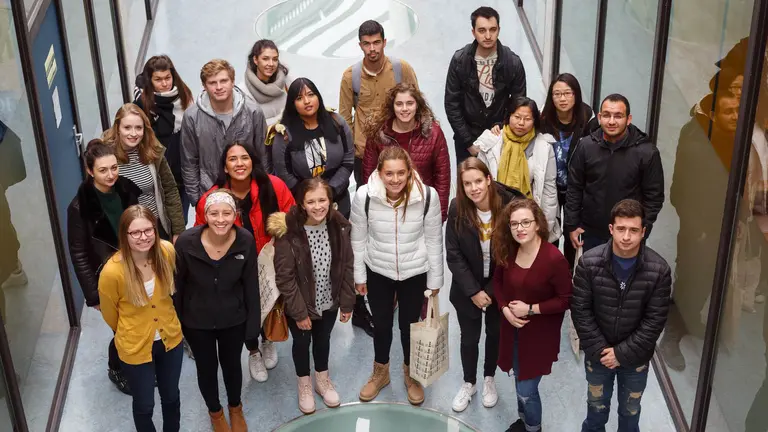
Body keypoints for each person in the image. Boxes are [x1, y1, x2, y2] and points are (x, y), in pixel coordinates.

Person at [351, 146, 443, 406]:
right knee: (381, 325)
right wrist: (359, 276)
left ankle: (410, 374)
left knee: (409, 325)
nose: (395, 180)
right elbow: (357, 239)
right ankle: (380, 373)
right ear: (379, 173)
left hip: (415, 271)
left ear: (409, 171)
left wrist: (435, 280)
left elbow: (434, 239)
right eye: (389, 174)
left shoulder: (427, 196)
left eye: (401, 173)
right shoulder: (364, 196)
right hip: (378, 269)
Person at [195, 142, 295, 381]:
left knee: (269, 305)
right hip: (233, 268)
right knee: (243, 312)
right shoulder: (212, 199)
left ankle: (268, 340)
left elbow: (293, 218)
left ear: (253, 161)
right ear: (225, 167)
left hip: (268, 262)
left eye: (245, 157)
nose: (239, 163)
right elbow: (201, 235)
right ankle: (253, 351)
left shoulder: (273, 185)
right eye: (232, 159)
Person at [571, 199, 671, 432]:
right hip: (599, 355)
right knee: (596, 410)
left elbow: (654, 322)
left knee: (630, 413)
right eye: (621, 229)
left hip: (635, 359)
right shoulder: (589, 264)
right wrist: (602, 351)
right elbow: (580, 310)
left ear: (643, 232)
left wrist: (621, 353)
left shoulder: (659, 271)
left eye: (634, 230)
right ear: (611, 229)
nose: (626, 236)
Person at [174, 189, 260, 432]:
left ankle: (235, 407)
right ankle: (215, 412)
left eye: (226, 213)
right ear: (204, 215)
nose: (220, 219)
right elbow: (177, 287)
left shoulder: (245, 240)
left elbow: (251, 286)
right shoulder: (186, 243)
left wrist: (252, 327)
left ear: (236, 215)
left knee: (232, 365)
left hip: (233, 318)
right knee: (206, 367)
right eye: (214, 213)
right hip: (196, 320)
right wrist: (177, 324)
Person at [269, 178, 355, 415]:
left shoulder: (339, 226)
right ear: (302, 204)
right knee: (301, 342)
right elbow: (285, 278)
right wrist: (299, 312)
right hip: (302, 303)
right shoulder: (289, 232)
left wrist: (347, 302)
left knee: (323, 339)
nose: (317, 206)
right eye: (311, 201)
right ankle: (304, 383)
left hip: (329, 300)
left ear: (331, 201)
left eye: (322, 200)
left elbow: (346, 265)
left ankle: (322, 378)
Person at [97, 205, 182, 432]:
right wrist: (132, 329)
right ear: (124, 235)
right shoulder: (112, 272)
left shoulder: (166, 252)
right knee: (145, 404)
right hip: (135, 346)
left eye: (148, 230)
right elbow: (110, 314)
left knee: (171, 396)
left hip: (170, 338)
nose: (143, 237)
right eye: (135, 233)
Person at [446, 157, 521, 413]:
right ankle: (470, 382)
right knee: (469, 338)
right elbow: (453, 253)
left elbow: (513, 252)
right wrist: (473, 291)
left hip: (499, 288)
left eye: (478, 181)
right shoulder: (457, 208)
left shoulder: (509, 206)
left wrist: (489, 292)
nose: (474, 188)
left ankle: (489, 378)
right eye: (467, 184)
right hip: (467, 289)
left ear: (489, 179)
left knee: (495, 334)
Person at [67, 139, 140, 395]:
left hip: (138, 267)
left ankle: (140, 363)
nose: (110, 175)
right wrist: (93, 295)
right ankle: (117, 367)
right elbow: (79, 254)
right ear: (89, 171)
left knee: (140, 320)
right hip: (109, 277)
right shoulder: (79, 208)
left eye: (114, 168)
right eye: (102, 170)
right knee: (123, 328)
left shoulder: (127, 189)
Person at [492, 198, 572, 432]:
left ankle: (533, 428)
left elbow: (566, 299)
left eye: (526, 222)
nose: (520, 228)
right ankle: (522, 421)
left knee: (526, 390)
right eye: (514, 224)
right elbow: (497, 282)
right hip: (512, 331)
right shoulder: (510, 250)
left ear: (538, 224)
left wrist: (530, 309)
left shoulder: (553, 259)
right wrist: (505, 309)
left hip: (538, 337)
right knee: (518, 381)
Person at [565, 94, 664, 252]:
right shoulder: (586, 146)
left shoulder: (646, 152)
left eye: (618, 116)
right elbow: (574, 187)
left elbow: (654, 198)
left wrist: (640, 231)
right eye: (606, 115)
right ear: (599, 117)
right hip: (591, 233)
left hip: (627, 236)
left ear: (628, 119)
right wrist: (572, 224)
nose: (611, 121)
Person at [339, 19, 419, 187]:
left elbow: (417, 106)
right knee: (369, 203)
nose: (372, 48)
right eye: (367, 44)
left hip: (400, 150)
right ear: (360, 45)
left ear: (384, 42)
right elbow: (345, 119)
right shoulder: (350, 76)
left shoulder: (401, 69)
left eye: (376, 42)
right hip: (364, 155)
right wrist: (352, 151)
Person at [444, 6, 527, 164]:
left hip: (500, 136)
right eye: (482, 30)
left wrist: (502, 128)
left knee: (499, 187)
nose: (488, 36)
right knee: (469, 185)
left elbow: (518, 105)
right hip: (467, 138)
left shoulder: (512, 63)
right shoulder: (460, 61)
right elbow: (452, 104)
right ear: (473, 32)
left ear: (499, 30)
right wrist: (468, 142)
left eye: (492, 30)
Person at [181, 59, 269, 206]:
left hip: (248, 192)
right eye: (212, 83)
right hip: (209, 193)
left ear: (233, 81)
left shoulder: (253, 111)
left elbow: (263, 154)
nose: (219, 87)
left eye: (224, 81)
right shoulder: (192, 116)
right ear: (204, 86)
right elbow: (189, 161)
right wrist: (197, 200)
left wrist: (264, 189)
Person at [362, 83, 451, 221]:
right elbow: (369, 174)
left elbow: (442, 176)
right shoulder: (378, 134)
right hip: (385, 207)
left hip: (422, 206)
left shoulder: (433, 133)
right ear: (392, 106)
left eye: (409, 103)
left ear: (417, 105)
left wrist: (440, 213)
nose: (404, 109)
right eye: (399, 104)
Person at [102, 103, 186, 242]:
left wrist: (178, 231)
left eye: (138, 128)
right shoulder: (104, 155)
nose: (133, 134)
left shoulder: (154, 151)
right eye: (127, 127)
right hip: (124, 233)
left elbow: (170, 190)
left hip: (155, 226)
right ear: (117, 128)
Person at [272, 79, 354, 216]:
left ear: (318, 97)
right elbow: (283, 173)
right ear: (292, 104)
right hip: (305, 204)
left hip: (338, 197)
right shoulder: (284, 134)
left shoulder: (336, 122)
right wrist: (309, 196)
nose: (307, 101)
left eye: (311, 95)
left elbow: (348, 160)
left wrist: (330, 191)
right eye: (299, 98)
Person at [539, 73, 594, 267]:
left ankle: (571, 277)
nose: (562, 99)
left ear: (576, 95)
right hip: (551, 187)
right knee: (548, 234)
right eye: (557, 94)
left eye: (567, 93)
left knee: (574, 235)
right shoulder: (543, 120)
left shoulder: (589, 119)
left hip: (577, 189)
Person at [134, 55, 195, 223]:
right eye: (158, 79)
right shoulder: (143, 103)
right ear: (150, 80)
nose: (165, 83)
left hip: (182, 169)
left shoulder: (183, 94)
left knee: (180, 220)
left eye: (168, 77)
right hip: (158, 172)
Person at [491, 97, 560, 244]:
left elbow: (549, 191)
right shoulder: (492, 142)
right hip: (497, 218)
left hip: (530, 220)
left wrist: (544, 226)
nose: (521, 123)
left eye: (527, 119)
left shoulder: (544, 147)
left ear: (535, 120)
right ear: (508, 116)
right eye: (517, 117)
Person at [242, 39, 293, 126]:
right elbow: (250, 126)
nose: (271, 64)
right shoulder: (244, 92)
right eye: (265, 59)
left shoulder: (286, 80)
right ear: (255, 60)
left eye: (275, 59)